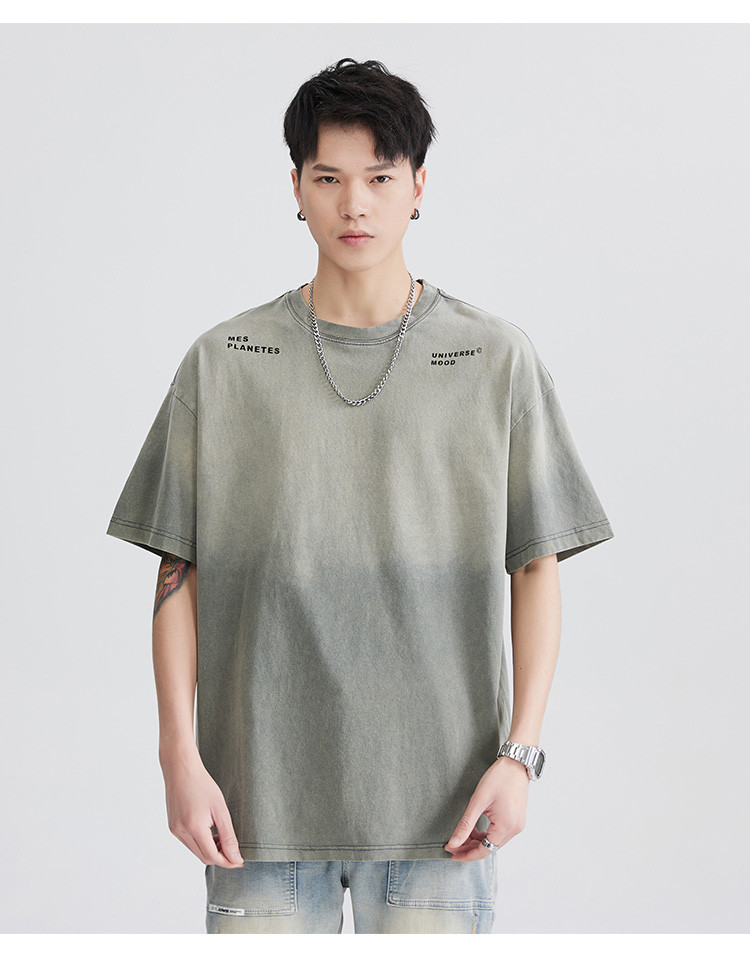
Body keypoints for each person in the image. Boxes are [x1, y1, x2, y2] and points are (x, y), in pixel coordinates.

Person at [105, 57, 614, 935]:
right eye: (328, 178)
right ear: (295, 189)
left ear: (419, 187)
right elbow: (177, 572)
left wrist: (521, 756)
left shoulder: (495, 359)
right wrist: (176, 755)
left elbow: (536, 566)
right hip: (255, 812)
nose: (355, 205)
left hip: (443, 812)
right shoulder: (224, 363)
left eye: (380, 178)